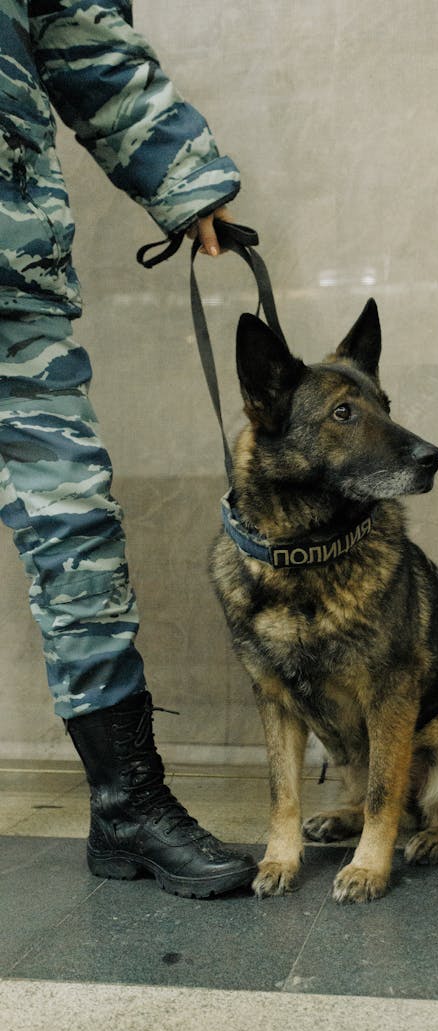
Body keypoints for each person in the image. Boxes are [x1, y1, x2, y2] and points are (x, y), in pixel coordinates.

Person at [0, 1, 256, 897]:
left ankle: (129, 807)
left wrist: (183, 180)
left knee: (77, 541)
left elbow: (79, 30)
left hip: (9, 284)